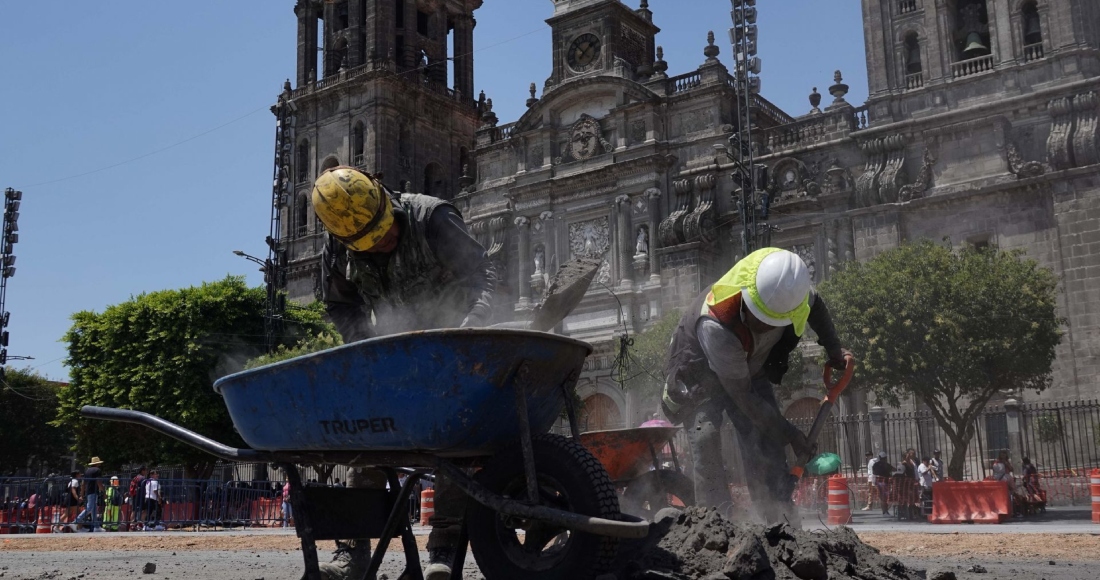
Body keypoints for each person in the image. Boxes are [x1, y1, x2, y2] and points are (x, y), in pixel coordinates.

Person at [312, 166, 497, 580]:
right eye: (371, 243)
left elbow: (485, 276)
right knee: (365, 443)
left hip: (452, 352)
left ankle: (443, 552)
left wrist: (471, 330)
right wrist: (368, 348)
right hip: (392, 358)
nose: (384, 242)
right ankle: (354, 553)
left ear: (385, 199)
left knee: (453, 449)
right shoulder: (339, 246)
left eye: (386, 230)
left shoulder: (433, 219)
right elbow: (341, 306)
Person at [661, 247, 852, 523]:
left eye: (772, 322)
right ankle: (716, 524)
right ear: (746, 301)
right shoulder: (716, 322)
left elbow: (816, 306)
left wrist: (835, 352)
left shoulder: (791, 293)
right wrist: (791, 434)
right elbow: (744, 398)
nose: (764, 326)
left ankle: (780, 519)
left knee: (765, 442)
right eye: (759, 318)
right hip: (700, 374)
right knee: (706, 440)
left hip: (750, 368)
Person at [74, 456, 105, 532]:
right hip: (94, 491)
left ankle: (96, 526)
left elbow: (83, 483)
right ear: (97, 463)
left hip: (88, 491)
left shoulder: (87, 471)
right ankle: (76, 521)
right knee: (90, 507)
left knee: (94, 509)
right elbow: (99, 482)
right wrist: (103, 491)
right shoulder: (98, 470)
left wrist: (82, 494)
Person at [129, 466, 148, 530]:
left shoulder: (136, 477)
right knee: (145, 510)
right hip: (141, 496)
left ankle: (131, 524)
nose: (146, 472)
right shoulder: (143, 478)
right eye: (145, 470)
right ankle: (141, 523)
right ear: (142, 471)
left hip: (135, 496)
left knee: (134, 510)